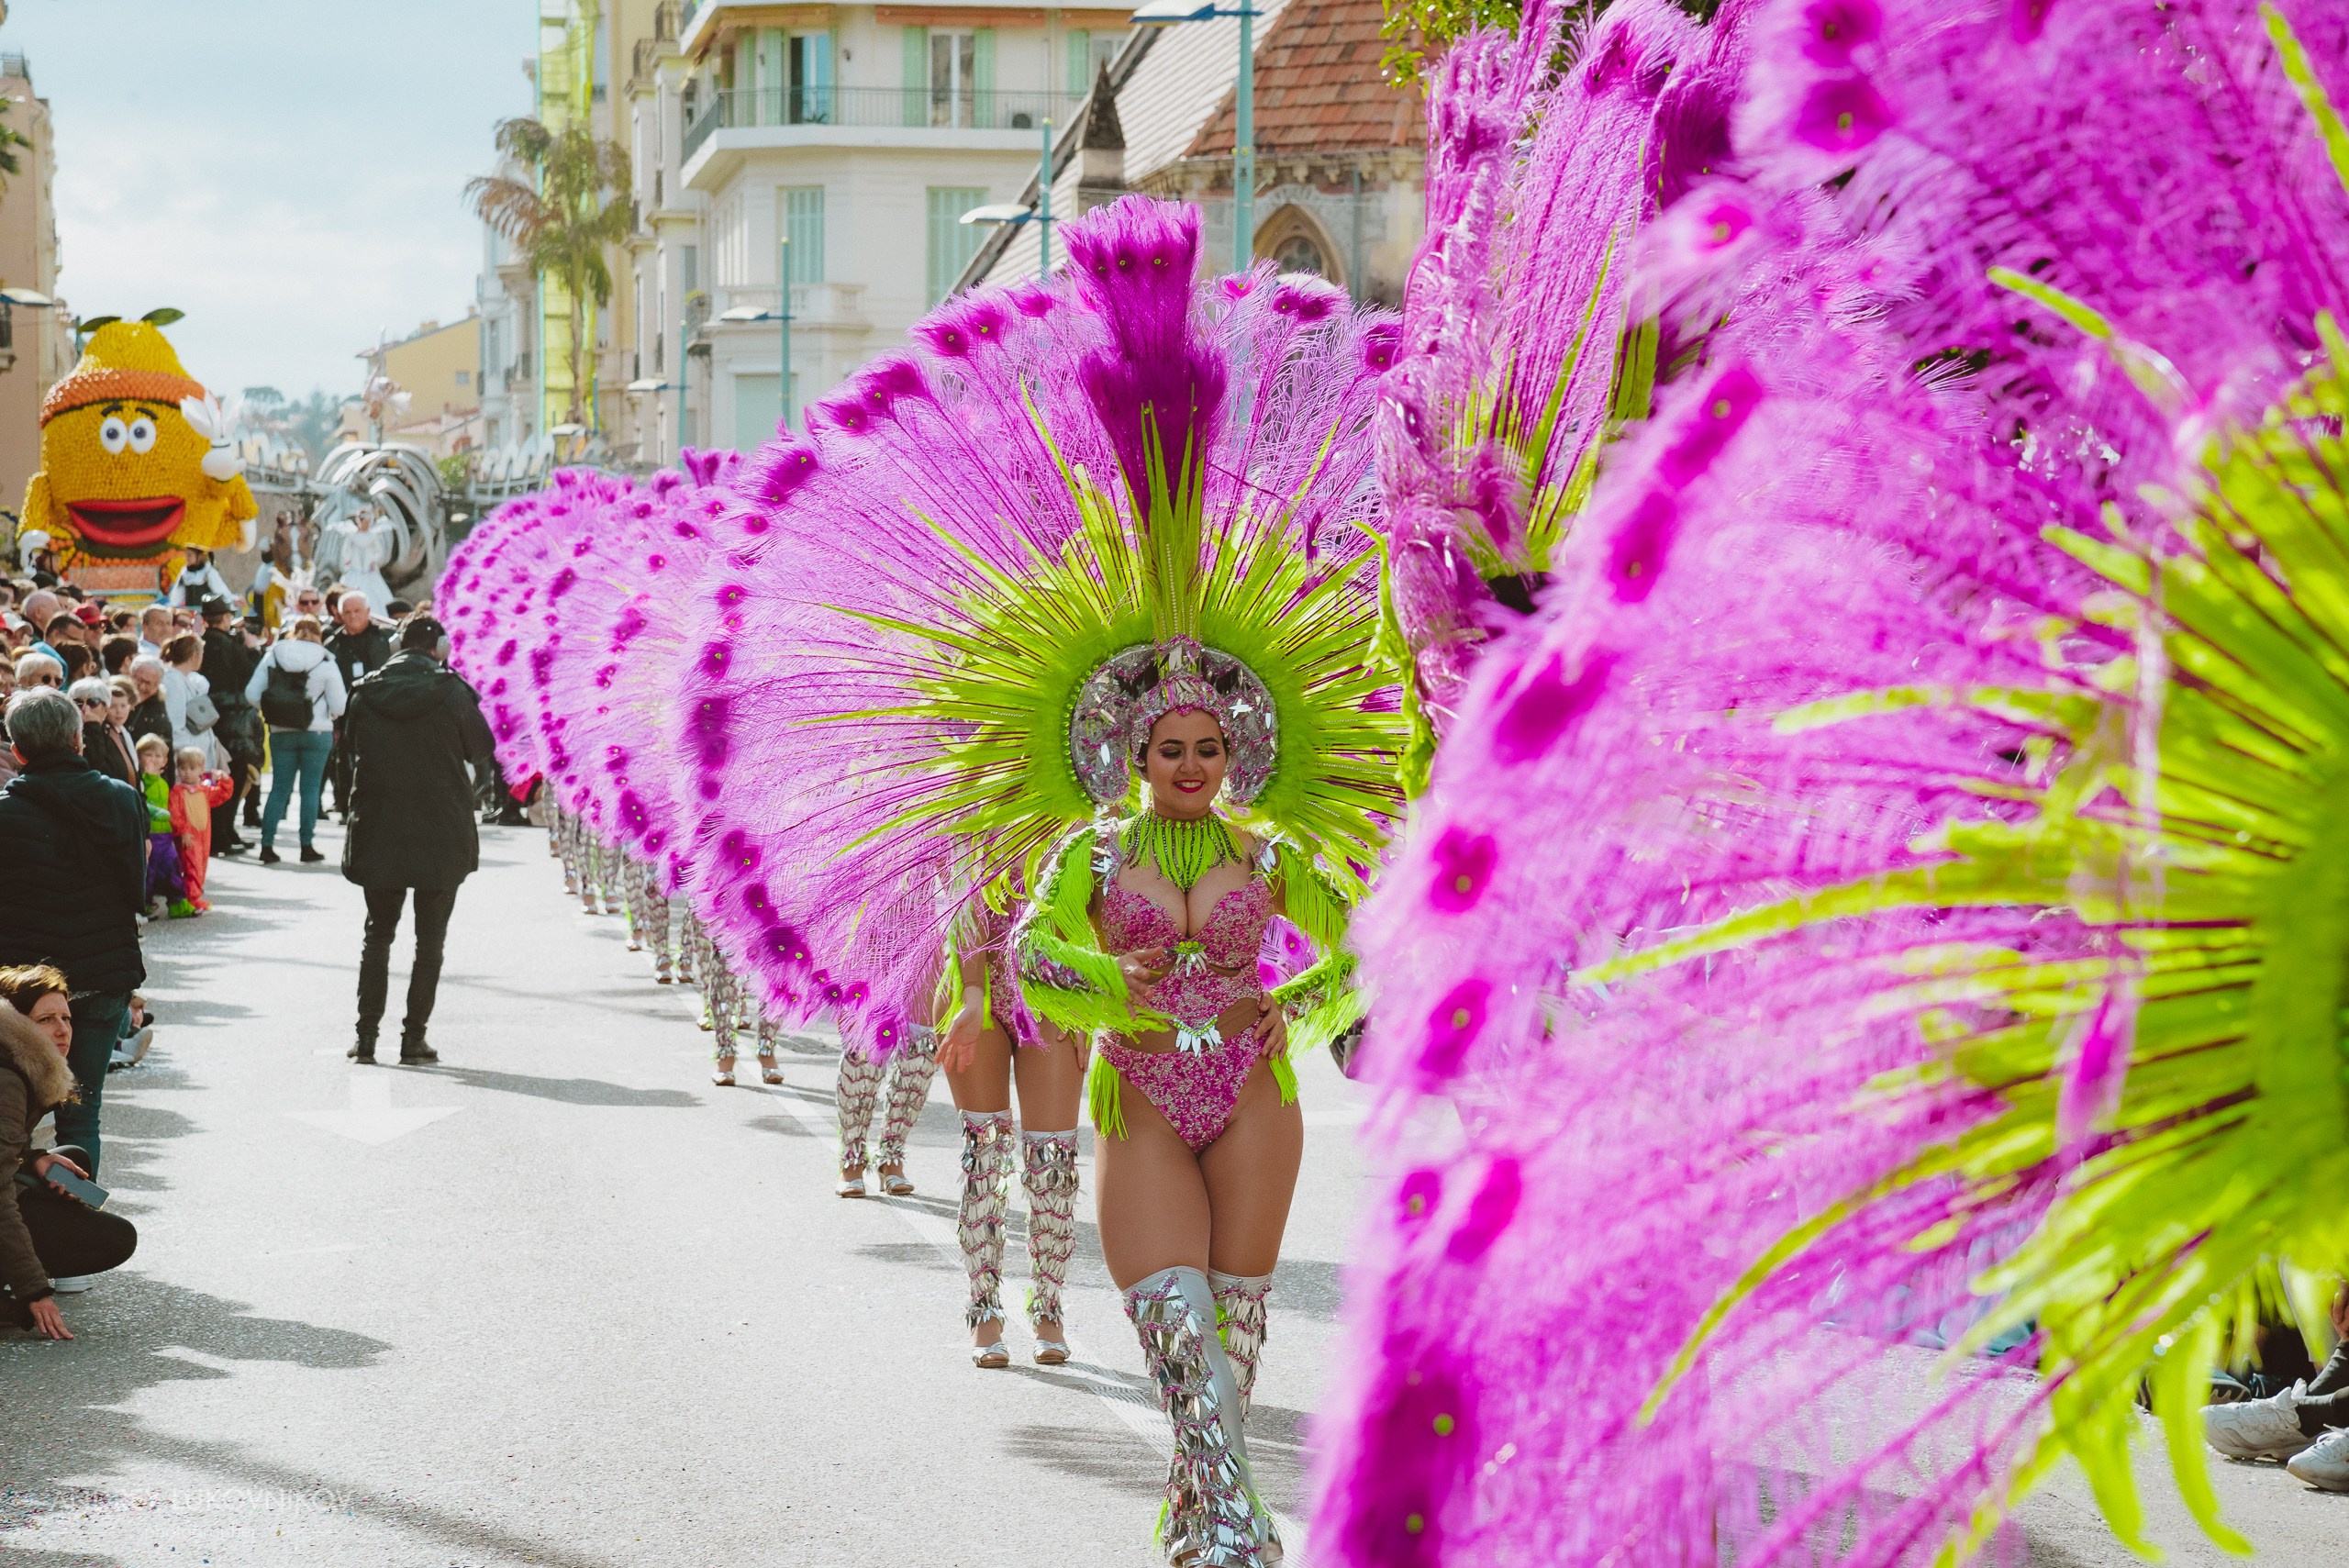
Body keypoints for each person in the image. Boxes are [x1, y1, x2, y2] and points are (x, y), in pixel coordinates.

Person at [0, 688, 150, 1173]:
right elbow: (136, 889)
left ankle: (28, 1234)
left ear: (17, 750)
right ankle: (79, 1228)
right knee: (81, 1116)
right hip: (103, 969)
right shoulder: (122, 799)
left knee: (15, 1117)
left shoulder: (4, 811)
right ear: (78, 739)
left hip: (28, 984)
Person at [339, 616, 493, 1064]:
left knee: (377, 936)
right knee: (430, 942)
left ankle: (366, 1037)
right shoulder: (452, 690)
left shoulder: (366, 691)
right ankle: (413, 1038)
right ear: (439, 647)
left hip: (380, 824)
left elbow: (349, 748)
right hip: (441, 829)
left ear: (396, 645)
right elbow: (481, 747)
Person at [934, 906, 1082, 1368]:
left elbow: (1093, 904)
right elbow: (965, 895)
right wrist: (975, 990)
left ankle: (1047, 1307)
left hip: (1053, 991)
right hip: (970, 989)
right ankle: (985, 1310)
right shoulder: (968, 831)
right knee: (986, 1154)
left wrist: (1093, 997)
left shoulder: (1072, 829)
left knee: (1053, 1163)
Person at [0, 963, 139, 1337]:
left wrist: (34, 1158)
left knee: (71, 1160)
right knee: (115, 1238)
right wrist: (35, 1291)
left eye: (66, 1017)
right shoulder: (7, 1081)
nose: (62, 1030)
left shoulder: (16, 1062)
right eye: (46, 1019)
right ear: (17, 1026)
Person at [246, 613, 345, 864]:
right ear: (319, 634)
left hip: (281, 732)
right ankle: (306, 846)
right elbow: (339, 705)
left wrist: (274, 711)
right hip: (317, 732)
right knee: (310, 790)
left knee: (279, 788)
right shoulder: (326, 661)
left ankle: (266, 846)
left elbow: (251, 694)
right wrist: (327, 715)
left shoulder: (274, 655)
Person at [322, 590, 393, 822]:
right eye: (347, 612)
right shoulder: (332, 645)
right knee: (344, 761)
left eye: (357, 611)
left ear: (368, 612)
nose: (352, 616)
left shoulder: (386, 639)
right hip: (347, 713)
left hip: (381, 711)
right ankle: (346, 806)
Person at [197, 597, 261, 853]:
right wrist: (252, 649)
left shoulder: (201, 643)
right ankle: (223, 834)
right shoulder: (229, 645)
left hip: (207, 717)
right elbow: (252, 676)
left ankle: (225, 831)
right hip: (232, 719)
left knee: (217, 776)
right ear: (224, 618)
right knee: (232, 777)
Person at [169, 748, 232, 913]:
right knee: (192, 867)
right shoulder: (177, 791)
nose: (187, 773)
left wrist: (224, 780)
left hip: (204, 835)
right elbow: (175, 814)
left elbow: (222, 795)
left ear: (201, 769)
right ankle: (193, 899)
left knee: (201, 866)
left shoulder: (204, 790)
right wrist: (183, 831)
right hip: (189, 836)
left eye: (192, 768)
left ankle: (193, 896)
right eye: (183, 768)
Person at [133, 734, 185, 917]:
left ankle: (178, 903)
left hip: (165, 835)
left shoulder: (164, 782)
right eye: (148, 755)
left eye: (158, 756)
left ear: (165, 760)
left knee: (172, 866)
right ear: (139, 758)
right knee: (149, 871)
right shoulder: (143, 780)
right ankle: (145, 904)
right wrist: (147, 774)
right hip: (150, 834)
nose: (154, 760)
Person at [328, 507, 395, 619]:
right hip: (355, 569)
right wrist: (347, 560)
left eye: (369, 522)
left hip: (369, 569)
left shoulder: (373, 536)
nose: (367, 525)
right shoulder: (352, 535)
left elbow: (379, 551)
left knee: (376, 593)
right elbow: (346, 550)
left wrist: (375, 561)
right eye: (365, 522)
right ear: (359, 521)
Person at [68, 677, 136, 788]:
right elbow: (92, 767)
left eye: (93, 702)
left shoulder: (115, 733)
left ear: (105, 709)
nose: (85, 708)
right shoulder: (68, 735)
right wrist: (92, 726)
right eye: (78, 702)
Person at [124, 656, 172, 749]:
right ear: (129, 674)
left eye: (148, 683)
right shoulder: (116, 694)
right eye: (139, 680)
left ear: (157, 685)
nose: (142, 687)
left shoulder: (157, 708)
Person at [165, 545, 232, 610]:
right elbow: (176, 597)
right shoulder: (184, 574)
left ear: (199, 556)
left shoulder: (209, 572)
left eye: (189, 555)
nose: (186, 557)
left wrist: (233, 601)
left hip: (207, 614)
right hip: (191, 614)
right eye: (186, 554)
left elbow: (222, 592)